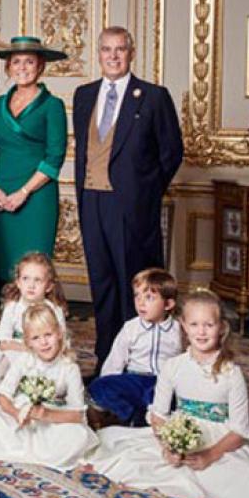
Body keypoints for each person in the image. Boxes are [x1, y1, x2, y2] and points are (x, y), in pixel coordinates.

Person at [73, 26, 183, 368]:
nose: (113, 56)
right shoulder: (84, 95)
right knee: (102, 285)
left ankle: (137, 364)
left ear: (131, 53)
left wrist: (144, 193)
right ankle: (107, 362)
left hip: (132, 208)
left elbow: (172, 152)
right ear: (99, 54)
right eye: (107, 49)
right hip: (92, 202)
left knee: (132, 286)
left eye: (120, 49)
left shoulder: (152, 96)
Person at [86, 289, 249, 498]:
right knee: (127, 460)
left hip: (219, 439)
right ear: (183, 325)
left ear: (220, 327)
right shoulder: (173, 366)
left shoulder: (232, 373)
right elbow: (159, 415)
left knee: (236, 482)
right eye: (194, 325)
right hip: (180, 431)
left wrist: (210, 455)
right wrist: (168, 446)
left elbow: (239, 430)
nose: (201, 332)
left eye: (208, 325)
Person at [0, 303, 97, 470]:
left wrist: (46, 415)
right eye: (36, 338)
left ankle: (31, 450)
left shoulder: (69, 368)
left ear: (60, 334)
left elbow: (77, 415)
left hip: (51, 420)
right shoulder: (24, 360)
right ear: (28, 342)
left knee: (78, 436)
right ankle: (24, 447)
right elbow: (3, 395)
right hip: (20, 417)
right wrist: (16, 413)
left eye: (48, 335)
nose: (44, 343)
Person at [0, 36, 67, 296]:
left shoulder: (53, 106)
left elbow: (54, 158)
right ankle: (8, 325)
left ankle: (37, 326)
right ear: (8, 67)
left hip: (36, 196)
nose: (22, 67)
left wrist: (23, 192)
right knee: (4, 262)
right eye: (16, 62)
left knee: (34, 264)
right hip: (1, 195)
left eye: (29, 62)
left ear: (40, 66)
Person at [88, 268, 181, 428]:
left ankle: (145, 416)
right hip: (134, 379)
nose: (140, 302)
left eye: (149, 298)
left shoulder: (179, 331)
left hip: (162, 382)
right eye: (137, 295)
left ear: (168, 304)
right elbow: (116, 359)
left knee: (170, 397)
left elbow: (187, 360)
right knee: (98, 387)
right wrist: (109, 381)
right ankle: (131, 415)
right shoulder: (131, 328)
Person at [0, 252, 68, 391]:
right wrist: (26, 348)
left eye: (38, 280)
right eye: (26, 279)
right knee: (6, 364)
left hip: (44, 350)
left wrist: (42, 350)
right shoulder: (12, 308)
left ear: (48, 286)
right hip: (15, 350)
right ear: (18, 282)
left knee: (57, 377)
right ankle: (0, 393)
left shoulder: (54, 310)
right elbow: (4, 341)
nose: (31, 285)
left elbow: (61, 340)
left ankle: (40, 392)